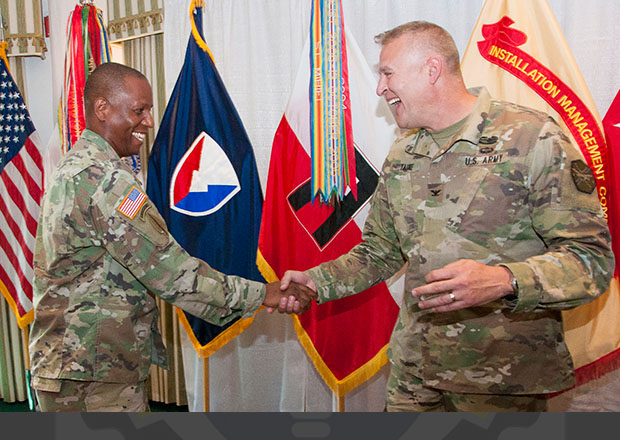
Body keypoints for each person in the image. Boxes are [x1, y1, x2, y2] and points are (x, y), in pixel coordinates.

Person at [280, 21, 615, 411]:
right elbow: (379, 251)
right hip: (414, 377)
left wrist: (506, 280)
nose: (380, 88)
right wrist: (315, 282)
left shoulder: (531, 138)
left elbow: (590, 261)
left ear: (431, 70)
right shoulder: (404, 154)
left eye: (387, 74)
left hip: (498, 384)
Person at [29, 62, 315, 412]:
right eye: (139, 110)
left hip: (79, 367)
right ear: (102, 109)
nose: (148, 122)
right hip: (93, 378)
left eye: (148, 110)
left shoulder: (75, 167)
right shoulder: (104, 181)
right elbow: (174, 274)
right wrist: (267, 293)